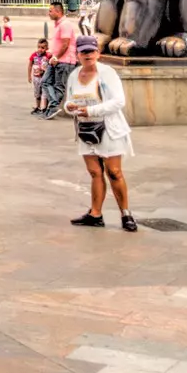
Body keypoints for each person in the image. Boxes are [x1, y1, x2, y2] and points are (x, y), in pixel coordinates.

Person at [62, 36, 136, 231]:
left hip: (109, 128)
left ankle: (126, 214)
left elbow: (118, 101)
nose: (88, 55)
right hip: (86, 129)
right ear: (77, 54)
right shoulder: (74, 75)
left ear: (98, 53)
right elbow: (68, 100)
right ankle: (95, 213)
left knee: (114, 171)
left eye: (91, 51)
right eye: (83, 52)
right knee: (95, 172)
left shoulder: (107, 73)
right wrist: (70, 107)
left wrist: (91, 110)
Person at [36, 3, 79, 117]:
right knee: (45, 81)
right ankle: (53, 105)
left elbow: (65, 44)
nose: (49, 13)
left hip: (65, 61)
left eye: (51, 11)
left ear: (58, 12)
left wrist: (56, 57)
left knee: (59, 86)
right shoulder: (57, 25)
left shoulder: (65, 24)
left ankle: (53, 108)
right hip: (55, 60)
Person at [28, 38, 52, 112]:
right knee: (37, 93)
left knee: (45, 93)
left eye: (42, 48)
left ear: (47, 48)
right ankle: (38, 107)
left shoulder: (48, 56)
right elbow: (30, 65)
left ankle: (45, 108)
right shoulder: (34, 55)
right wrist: (29, 76)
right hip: (36, 78)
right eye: (38, 47)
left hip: (45, 78)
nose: (40, 49)